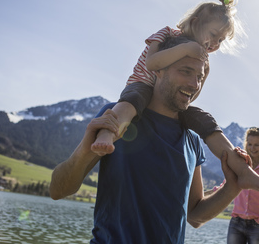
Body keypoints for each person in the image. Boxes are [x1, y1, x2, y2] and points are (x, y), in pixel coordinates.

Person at [50, 36, 248, 244]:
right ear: (158, 69)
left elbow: (195, 215)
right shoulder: (117, 118)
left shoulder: (193, 141)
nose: (194, 84)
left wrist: (233, 187)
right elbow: (57, 190)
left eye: (199, 77)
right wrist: (84, 150)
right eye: (186, 72)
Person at [90, 0, 259, 194]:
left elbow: (191, 95)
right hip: (142, 84)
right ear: (195, 23)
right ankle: (107, 134)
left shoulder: (203, 60)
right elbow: (152, 63)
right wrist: (187, 49)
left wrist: (199, 72)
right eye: (213, 35)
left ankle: (244, 171)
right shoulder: (167, 33)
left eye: (221, 41)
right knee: (130, 103)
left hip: (170, 100)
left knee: (206, 121)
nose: (215, 44)